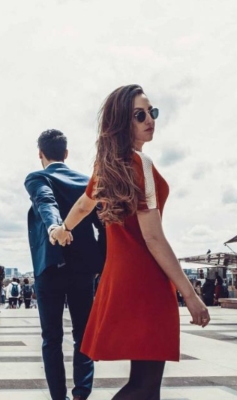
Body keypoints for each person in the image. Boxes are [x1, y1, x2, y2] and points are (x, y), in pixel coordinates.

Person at [52, 85, 209, 399]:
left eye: (153, 112)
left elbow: (84, 206)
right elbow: (153, 237)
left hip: (118, 278)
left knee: (144, 384)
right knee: (146, 385)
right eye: (140, 115)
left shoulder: (106, 168)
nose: (150, 119)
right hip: (147, 278)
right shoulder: (142, 164)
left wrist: (61, 229)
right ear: (123, 123)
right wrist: (189, 294)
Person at [24, 129, 105, 400]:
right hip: (83, 269)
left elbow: (45, 201)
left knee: (51, 339)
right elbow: (104, 226)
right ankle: (82, 394)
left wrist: (54, 228)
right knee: (84, 335)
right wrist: (101, 262)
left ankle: (58, 397)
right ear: (66, 154)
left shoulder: (38, 177)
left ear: (40, 154)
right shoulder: (86, 182)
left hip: (50, 268)